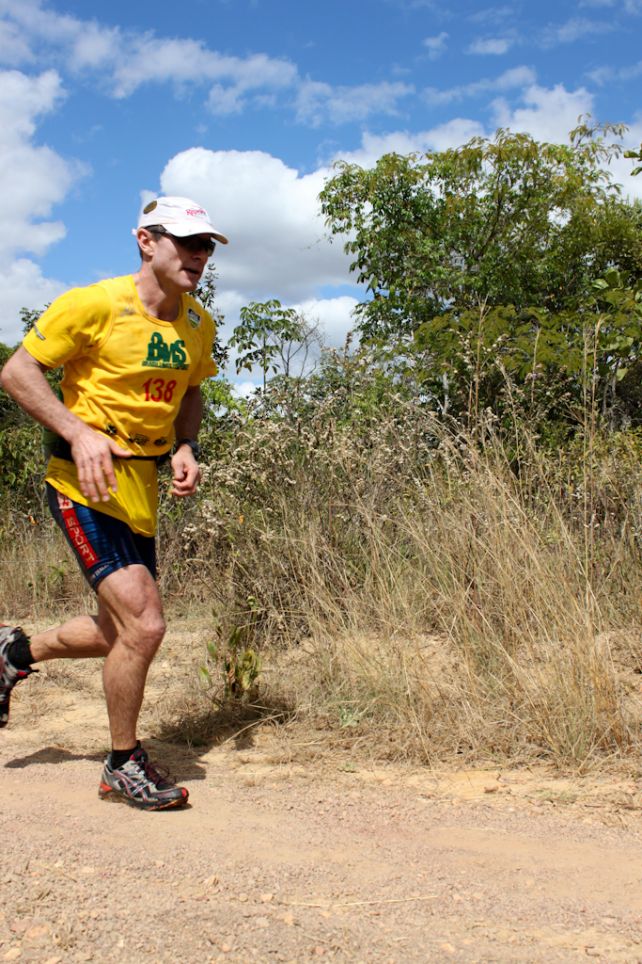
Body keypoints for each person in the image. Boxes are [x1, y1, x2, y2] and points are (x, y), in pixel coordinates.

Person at [0, 195, 228, 811]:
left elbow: (190, 392)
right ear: (145, 242)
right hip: (82, 482)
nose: (198, 256)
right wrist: (77, 432)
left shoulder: (196, 324)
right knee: (147, 624)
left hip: (141, 487)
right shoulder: (94, 304)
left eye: (206, 245)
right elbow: (19, 373)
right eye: (186, 242)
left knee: (117, 630)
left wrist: (185, 444)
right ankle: (122, 765)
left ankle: (13, 654)